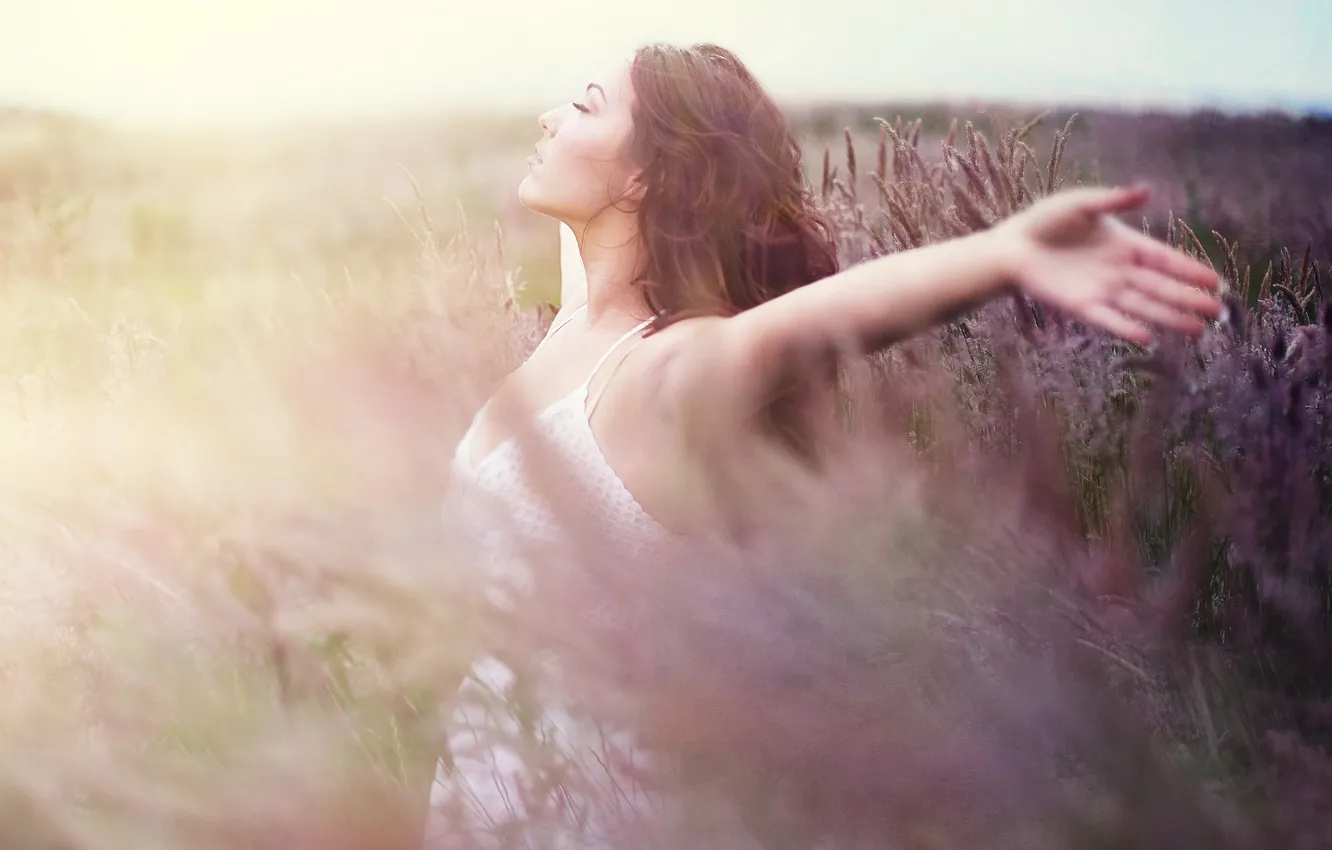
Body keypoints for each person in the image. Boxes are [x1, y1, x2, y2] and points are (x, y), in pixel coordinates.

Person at [422, 42, 1222, 847]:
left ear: (643, 179)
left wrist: (1003, 254)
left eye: (585, 106)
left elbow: (806, 328)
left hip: (586, 816)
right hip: (492, 787)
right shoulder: (582, 319)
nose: (548, 118)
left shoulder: (662, 374)